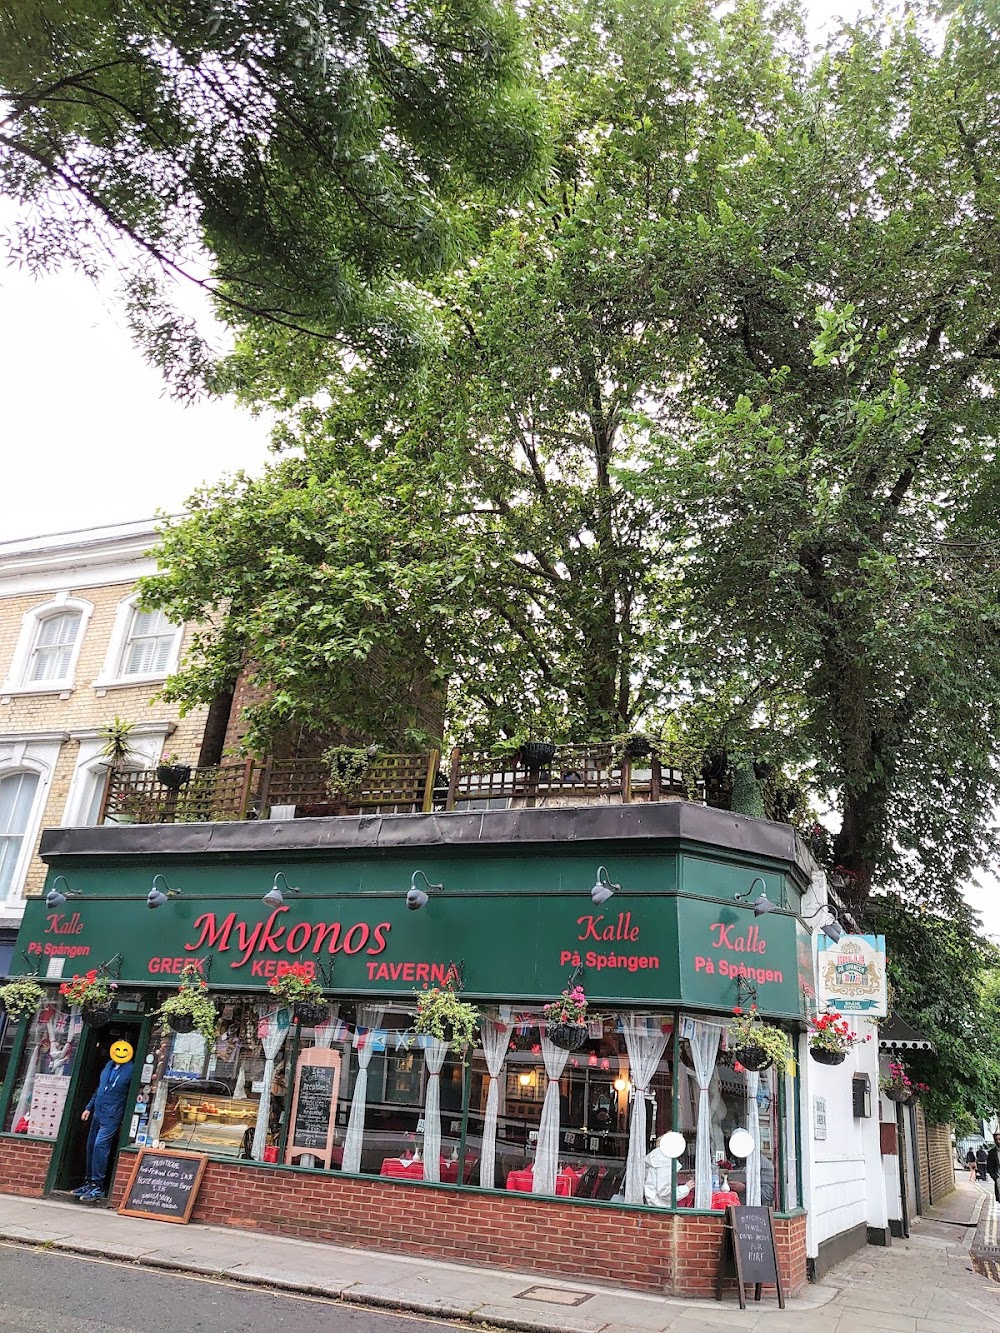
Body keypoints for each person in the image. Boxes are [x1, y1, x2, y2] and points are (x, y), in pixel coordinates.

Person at [74, 1038, 135, 1202]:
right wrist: (88, 1107)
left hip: (112, 1115)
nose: (120, 1053)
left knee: (100, 1145)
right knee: (91, 1145)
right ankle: (89, 1182)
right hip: (98, 1113)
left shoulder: (131, 1069)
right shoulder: (108, 1066)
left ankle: (98, 1185)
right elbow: (100, 1089)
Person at [987, 1134, 1000, 1203]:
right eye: (996, 1139)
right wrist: (995, 1177)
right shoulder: (992, 1152)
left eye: (999, 1139)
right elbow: (989, 1167)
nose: (998, 1141)